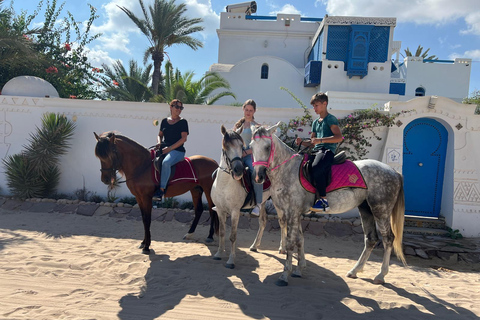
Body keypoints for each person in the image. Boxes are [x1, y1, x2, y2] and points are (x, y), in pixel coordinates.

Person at [295, 93, 343, 212]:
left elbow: (338, 137)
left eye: (316, 105)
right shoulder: (316, 122)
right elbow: (312, 142)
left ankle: (323, 200)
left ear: (324, 104)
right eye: (313, 106)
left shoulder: (330, 119)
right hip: (316, 150)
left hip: (327, 150)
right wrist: (302, 142)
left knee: (316, 167)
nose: (314, 108)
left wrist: (320, 140)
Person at [153, 99, 189, 200]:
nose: (179, 109)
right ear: (171, 107)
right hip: (164, 148)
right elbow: (159, 135)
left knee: (166, 163)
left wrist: (170, 149)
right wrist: (159, 142)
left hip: (178, 151)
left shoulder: (183, 122)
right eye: (177, 107)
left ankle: (161, 190)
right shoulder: (164, 121)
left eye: (181, 108)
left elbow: (184, 139)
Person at [233, 99, 263, 216]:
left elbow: (258, 145)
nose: (248, 112)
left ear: (254, 111)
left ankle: (258, 204)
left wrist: (246, 153)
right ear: (243, 109)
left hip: (250, 156)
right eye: (246, 110)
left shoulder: (257, 127)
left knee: (255, 173)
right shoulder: (237, 125)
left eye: (251, 110)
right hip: (237, 156)